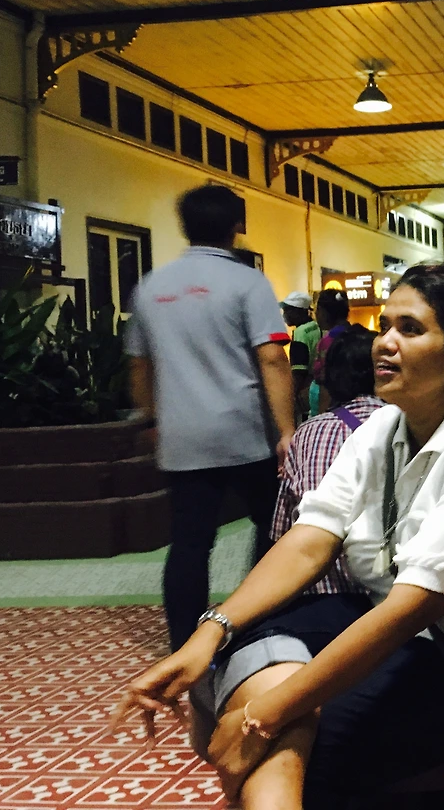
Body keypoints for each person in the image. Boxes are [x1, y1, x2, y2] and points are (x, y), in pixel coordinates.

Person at [112, 264, 444, 810]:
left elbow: (410, 609)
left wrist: (264, 715)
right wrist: (208, 632)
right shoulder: (383, 429)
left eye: (411, 329)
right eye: (385, 326)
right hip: (412, 629)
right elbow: (310, 539)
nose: (385, 342)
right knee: (250, 640)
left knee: (304, 736)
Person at [125, 185, 296, 651]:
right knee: (273, 526)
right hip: (246, 433)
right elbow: (272, 358)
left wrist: (152, 418)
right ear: (237, 225)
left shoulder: (150, 286)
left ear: (184, 226)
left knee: (190, 540)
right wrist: (287, 430)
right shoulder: (248, 283)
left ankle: (185, 643)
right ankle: (261, 617)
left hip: (183, 436)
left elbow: (139, 365)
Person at [272, 326, 382, 595]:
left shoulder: (308, 433)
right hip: (394, 596)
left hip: (318, 590)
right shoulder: (410, 424)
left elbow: (282, 531)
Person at [308, 288, 351, 416]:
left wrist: (323, 418)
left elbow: (326, 383)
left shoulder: (329, 341)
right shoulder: (356, 335)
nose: (316, 315)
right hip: (350, 413)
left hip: (334, 410)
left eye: (317, 310)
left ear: (324, 312)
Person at [281, 291, 320, 419]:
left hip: (305, 391)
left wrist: (291, 397)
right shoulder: (316, 326)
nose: (285, 315)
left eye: (288, 311)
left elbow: (299, 371)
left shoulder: (300, 333)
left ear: (300, 311)